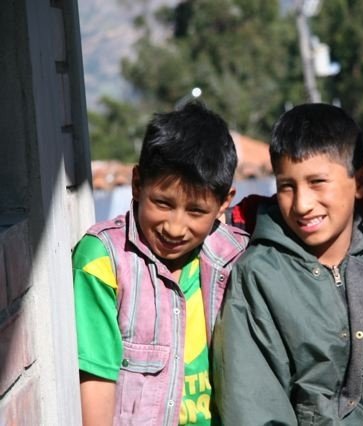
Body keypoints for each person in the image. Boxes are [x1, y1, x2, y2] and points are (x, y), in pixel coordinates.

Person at [213, 103, 363, 425]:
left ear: (361, 182)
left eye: (318, 182)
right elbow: (255, 407)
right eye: (286, 187)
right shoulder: (260, 276)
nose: (303, 205)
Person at [72, 102, 249, 426]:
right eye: (162, 203)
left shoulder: (238, 259)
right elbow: (96, 379)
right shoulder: (104, 261)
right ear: (138, 185)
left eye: (196, 211)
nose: (175, 228)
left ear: (224, 203)